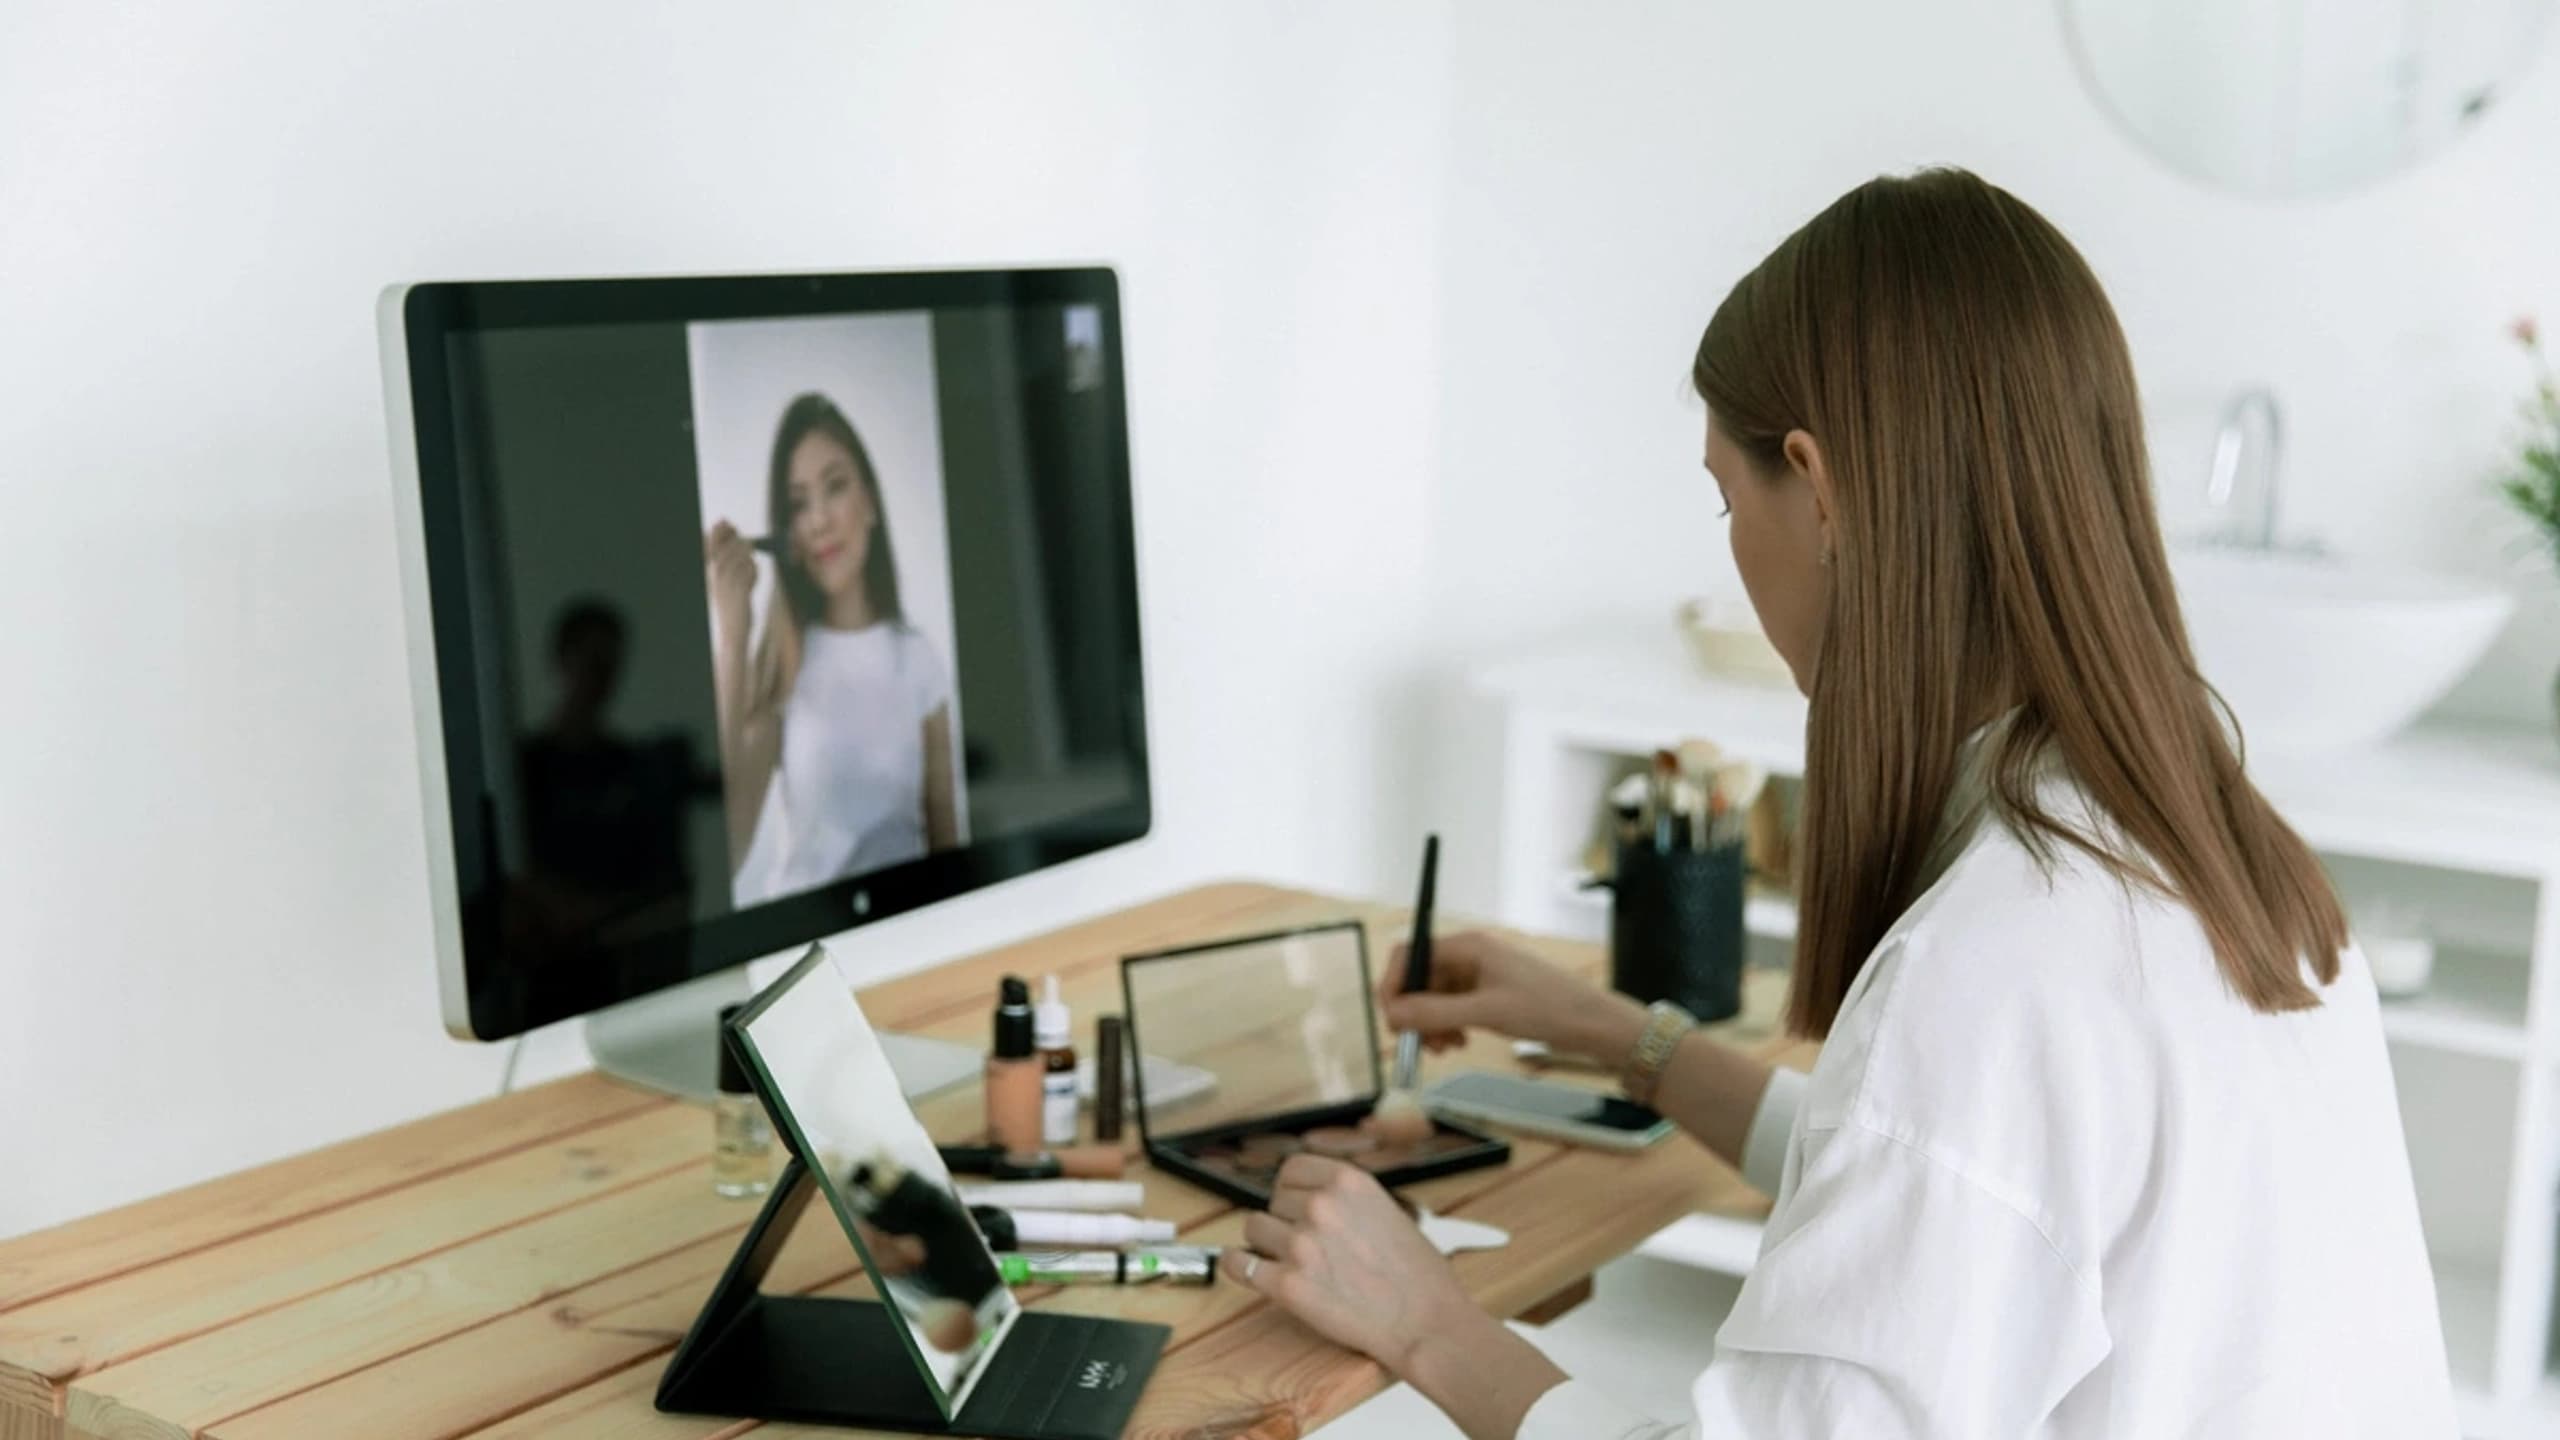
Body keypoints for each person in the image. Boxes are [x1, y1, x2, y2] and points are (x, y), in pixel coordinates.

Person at [1224, 170, 2458, 1437]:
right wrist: (1616, 1037)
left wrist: (1426, 1318)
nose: (1731, 542)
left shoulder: (1990, 964)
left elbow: (1938, 1149)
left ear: (1819, 492)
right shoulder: (2195, 846)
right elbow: (1947, 1197)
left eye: (1727, 496)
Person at [705, 393, 960, 905]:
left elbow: (946, 850)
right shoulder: (782, 663)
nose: (818, 519)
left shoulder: (919, 661)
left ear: (869, 501)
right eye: (798, 503)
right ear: (785, 529)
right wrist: (733, 638)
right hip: (805, 943)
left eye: (836, 487)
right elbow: (725, 851)